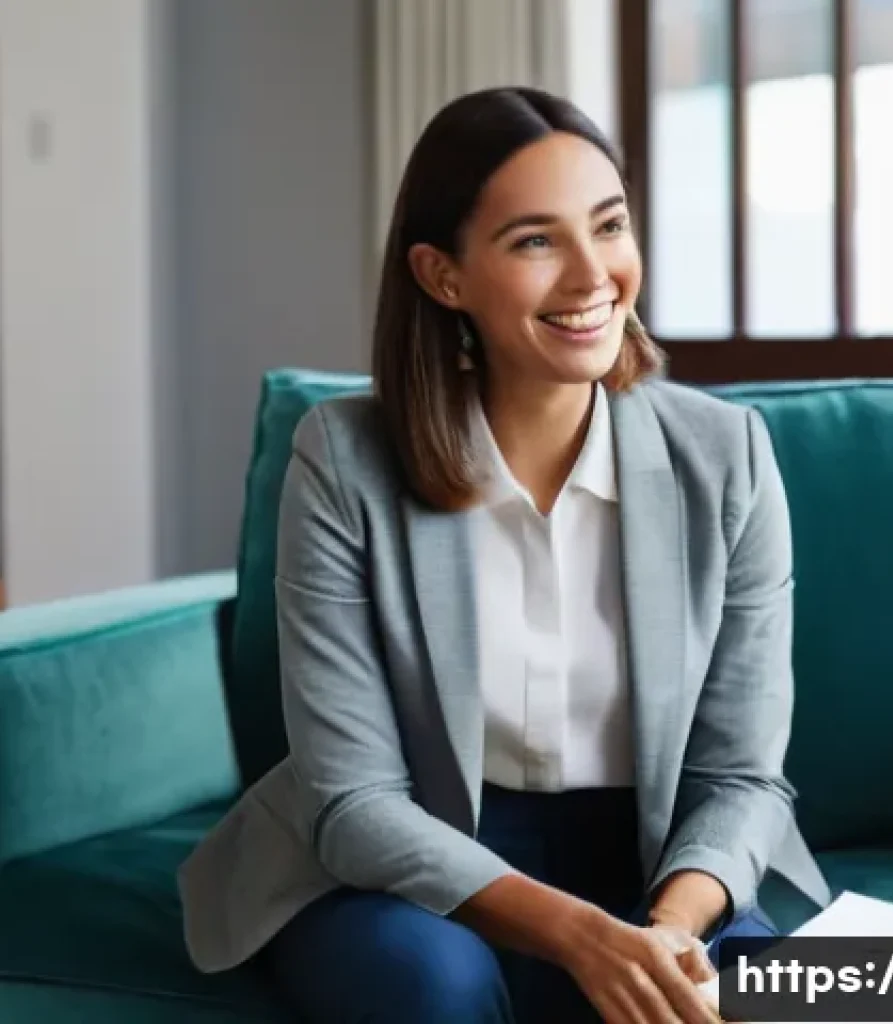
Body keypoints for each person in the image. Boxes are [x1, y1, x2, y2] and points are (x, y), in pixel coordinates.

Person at [177, 86, 831, 1024]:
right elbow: (355, 800)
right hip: (406, 868)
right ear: (444, 277)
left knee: (774, 1000)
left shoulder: (728, 456)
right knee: (431, 991)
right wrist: (579, 938)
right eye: (535, 241)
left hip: (658, 865)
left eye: (608, 227)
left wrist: (667, 935)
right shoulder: (343, 459)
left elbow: (741, 778)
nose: (591, 275)